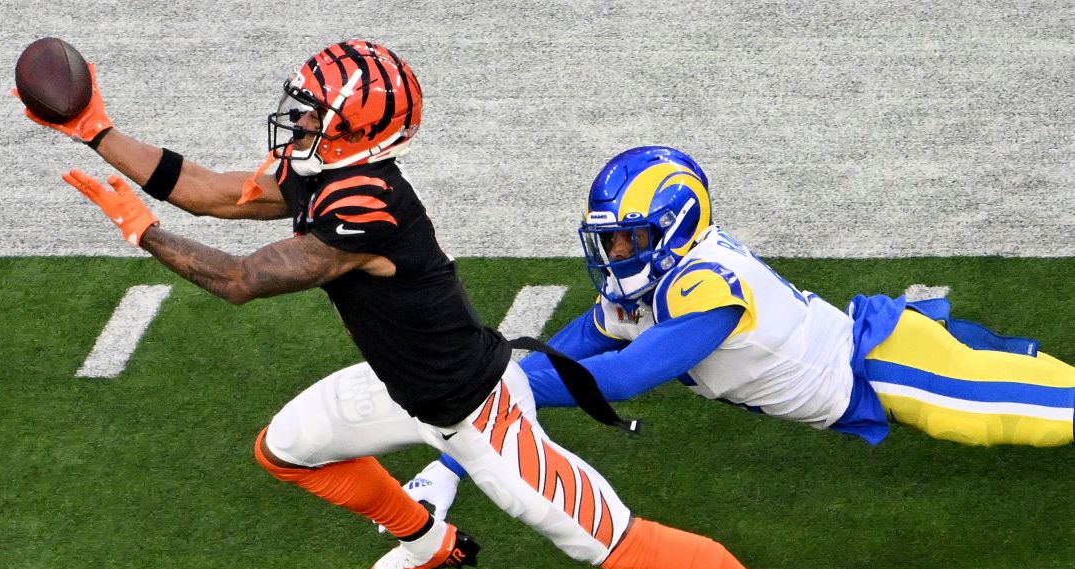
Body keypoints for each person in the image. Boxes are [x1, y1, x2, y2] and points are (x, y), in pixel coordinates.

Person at [18, 42, 857, 569]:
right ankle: (425, 535)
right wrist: (96, 130)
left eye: (315, 110)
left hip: (480, 413)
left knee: (619, 543)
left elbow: (239, 280)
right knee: (285, 452)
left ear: (355, 131)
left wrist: (143, 231)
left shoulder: (367, 206)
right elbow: (207, 187)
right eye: (302, 103)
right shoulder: (324, 168)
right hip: (400, 387)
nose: (298, 118)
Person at [398, 146, 1075, 522]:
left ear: (674, 226)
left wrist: (495, 381)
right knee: (1028, 386)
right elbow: (580, 343)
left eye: (630, 237)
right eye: (610, 240)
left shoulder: (706, 284)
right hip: (874, 361)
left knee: (1020, 415)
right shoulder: (657, 282)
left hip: (884, 366)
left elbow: (625, 376)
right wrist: (449, 462)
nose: (616, 254)